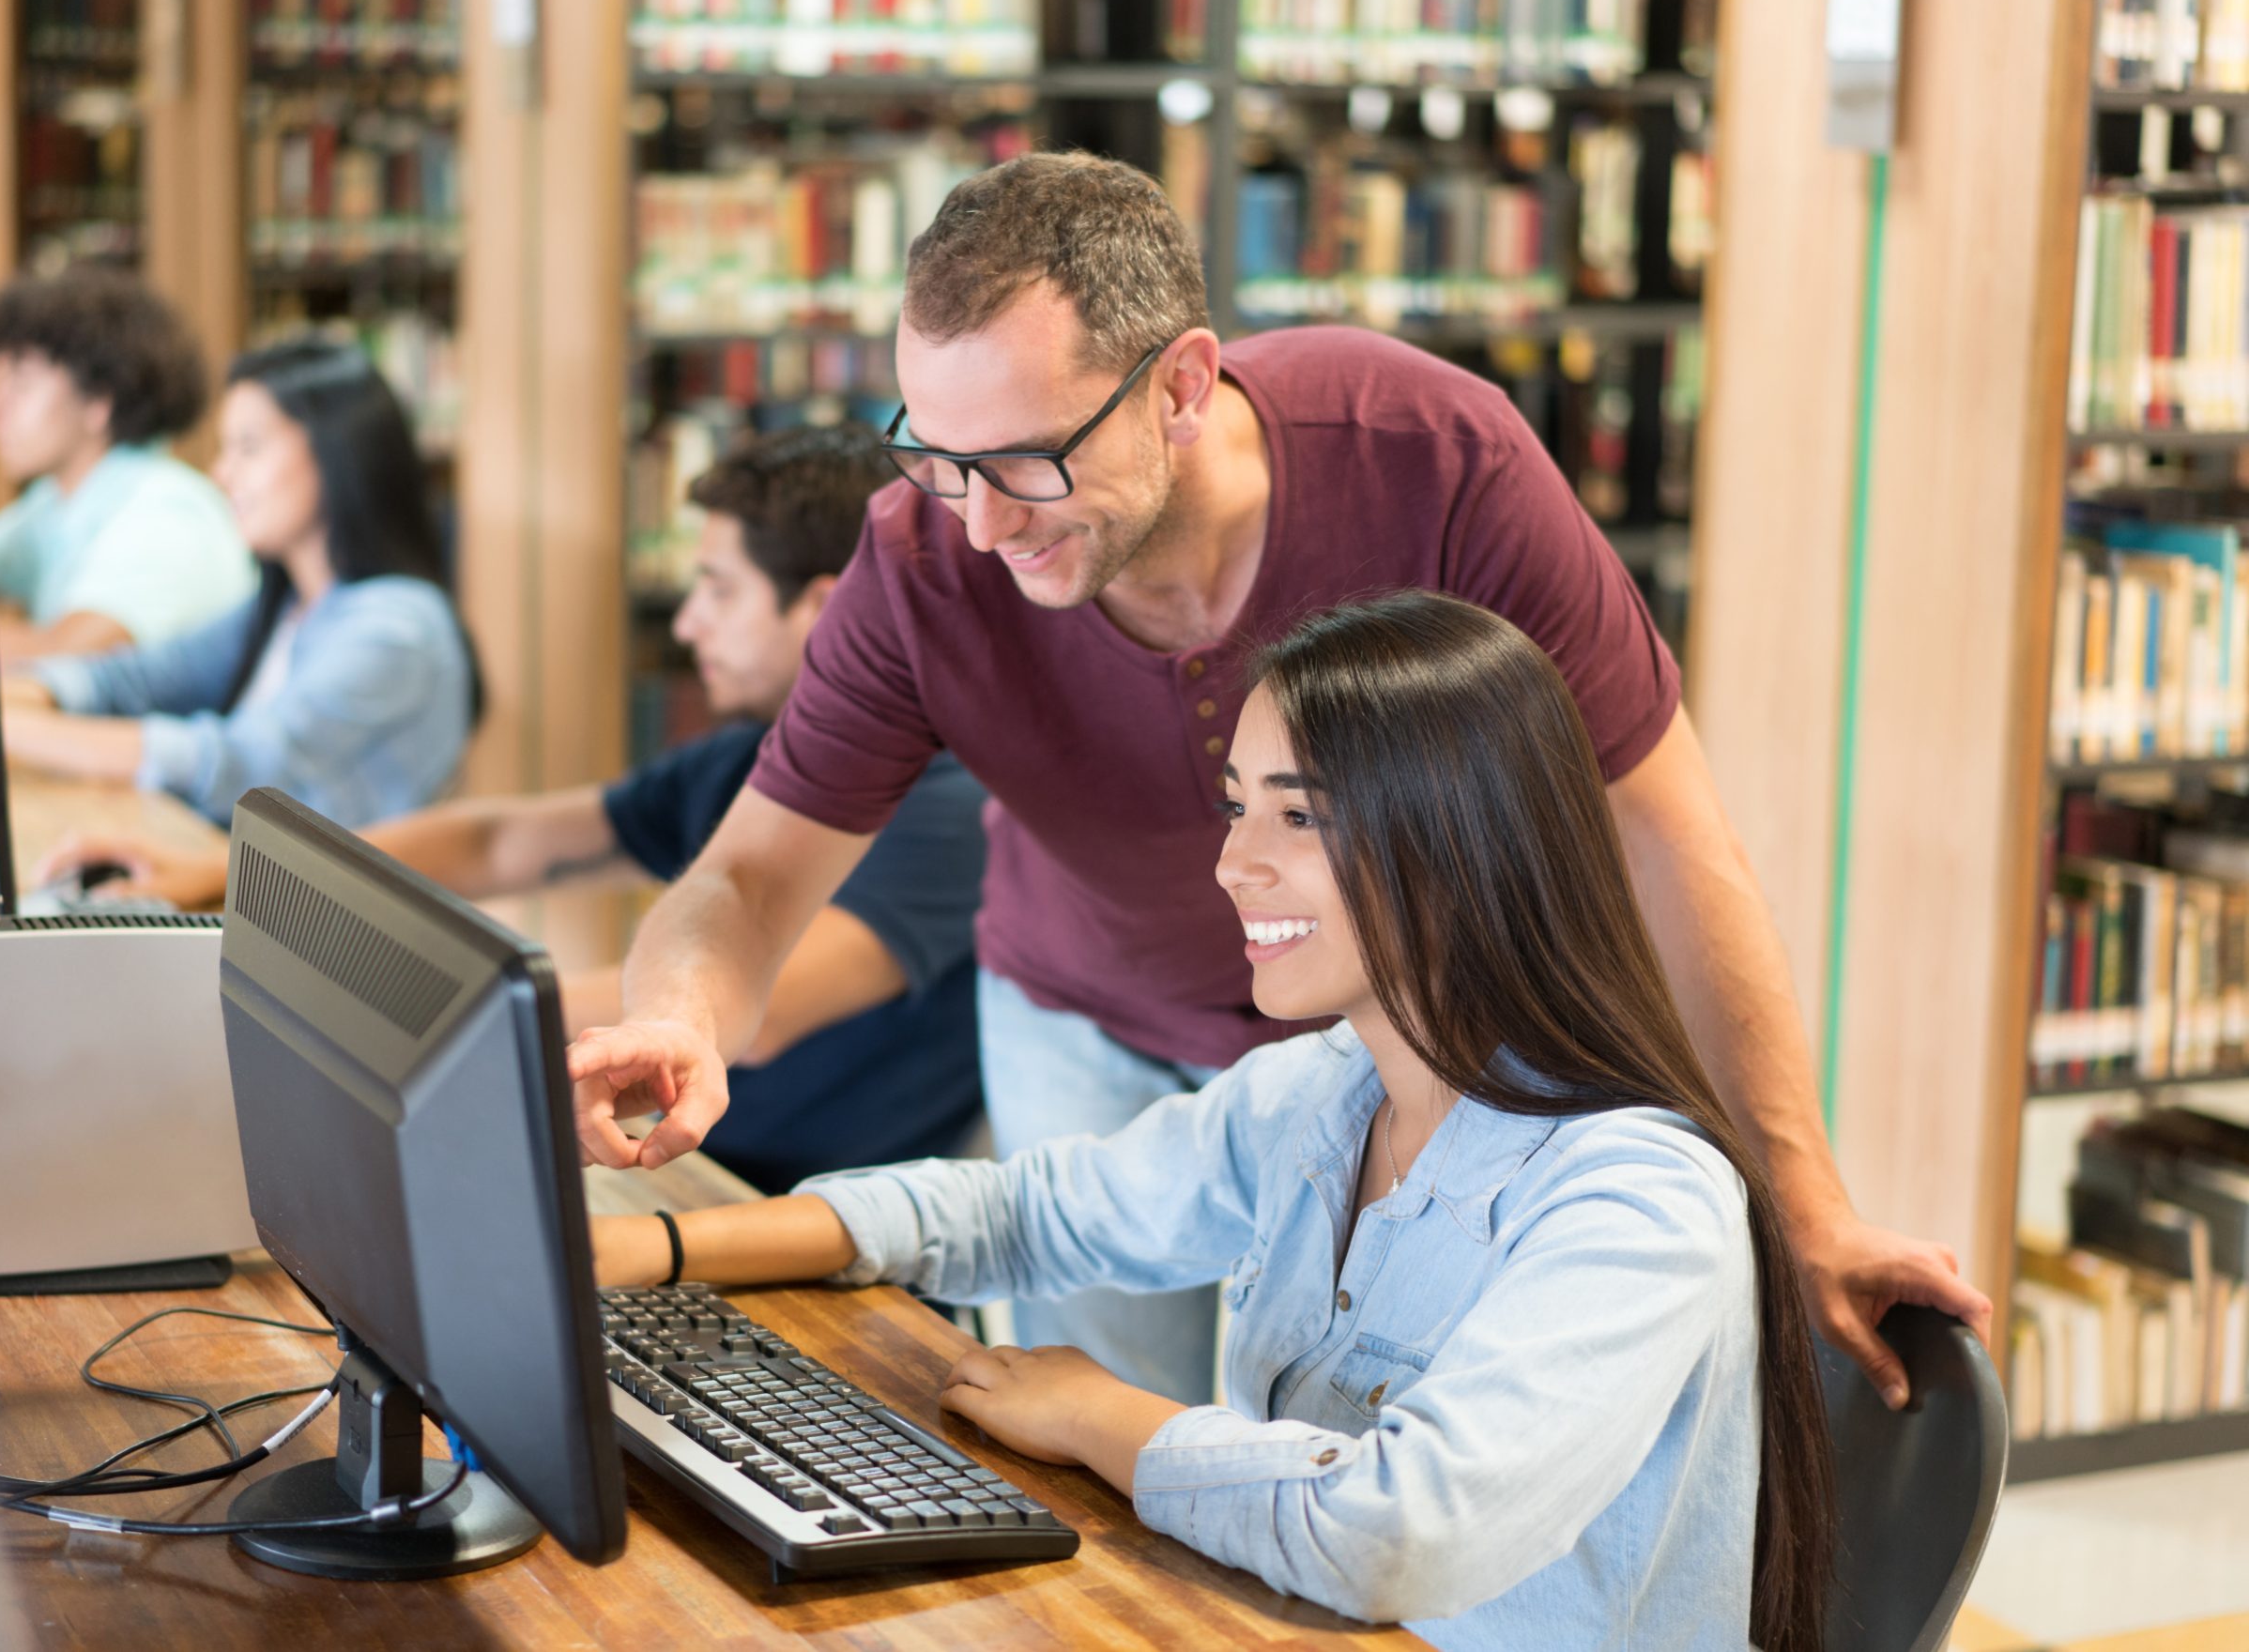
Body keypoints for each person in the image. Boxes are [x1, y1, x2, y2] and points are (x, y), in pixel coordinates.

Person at [566, 149, 1990, 1412]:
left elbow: (1669, 841)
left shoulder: (1438, 463)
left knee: (1345, 1469)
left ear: (1180, 385)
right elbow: (748, 881)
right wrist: (682, 1018)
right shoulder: (922, 557)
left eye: (1027, 462)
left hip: (1413, 1057)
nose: (984, 524)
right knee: (1100, 1482)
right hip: (1090, 1030)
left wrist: (1803, 1197)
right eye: (937, 459)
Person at [593, 593, 1835, 1651]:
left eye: (1298, 817)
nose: (1235, 863)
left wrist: (1098, 1412)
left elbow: (1397, 1532)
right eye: (1239, 807)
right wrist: (655, 1251)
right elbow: (1024, 1212)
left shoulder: (1637, 1196)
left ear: (1463, 849)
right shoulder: (1331, 1090)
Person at [38, 423, 988, 1196]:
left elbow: (757, 1010)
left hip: (780, 1215)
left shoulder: (945, 803)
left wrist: (367, 1000)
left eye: (716, 588)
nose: (689, 621)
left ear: (825, 610)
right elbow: (507, 839)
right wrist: (237, 876)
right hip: (667, 1168)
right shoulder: (756, 754)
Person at [0, 339, 477, 831]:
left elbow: (243, 763)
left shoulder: (397, 627)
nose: (222, 474)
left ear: (338, 450)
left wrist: (8, 728)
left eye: (248, 448)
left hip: (310, 905)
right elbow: (139, 677)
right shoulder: (288, 603)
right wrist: (32, 694)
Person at [0, 269, 255, 665]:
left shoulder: (166, 515)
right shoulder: (60, 499)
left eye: (21, 384)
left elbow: (62, 656)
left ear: (98, 402)